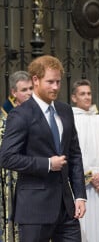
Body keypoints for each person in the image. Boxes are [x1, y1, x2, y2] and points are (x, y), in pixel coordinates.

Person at [0, 55, 86, 242]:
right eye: (50, 82)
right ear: (36, 80)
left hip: (66, 208)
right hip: (34, 208)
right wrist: (47, 164)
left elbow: (74, 154)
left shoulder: (65, 110)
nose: (55, 87)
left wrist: (79, 195)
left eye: (58, 82)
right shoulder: (20, 115)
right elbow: (6, 157)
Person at [71, 79, 99, 242]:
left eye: (89, 93)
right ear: (74, 98)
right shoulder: (70, 120)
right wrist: (88, 176)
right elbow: (70, 154)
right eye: (82, 94)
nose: (87, 97)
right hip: (79, 186)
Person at [0, 71, 33, 242]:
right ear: (13, 93)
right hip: (8, 179)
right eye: (24, 90)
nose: (29, 93)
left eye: (31, 89)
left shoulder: (36, 112)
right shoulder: (4, 119)